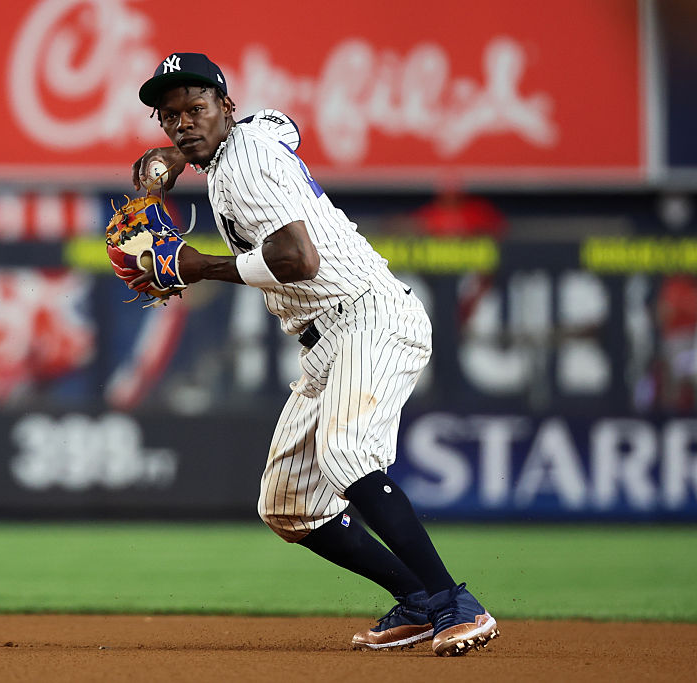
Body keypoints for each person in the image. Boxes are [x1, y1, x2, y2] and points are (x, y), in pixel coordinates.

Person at [114, 52, 500, 656]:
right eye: (171, 117)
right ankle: (420, 601)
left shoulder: (244, 165)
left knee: (347, 455)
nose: (184, 122)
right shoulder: (255, 134)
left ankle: (457, 603)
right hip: (325, 342)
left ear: (224, 107)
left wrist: (200, 267)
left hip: (367, 316)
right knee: (289, 506)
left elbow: (299, 260)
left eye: (196, 108)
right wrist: (174, 159)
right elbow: (284, 122)